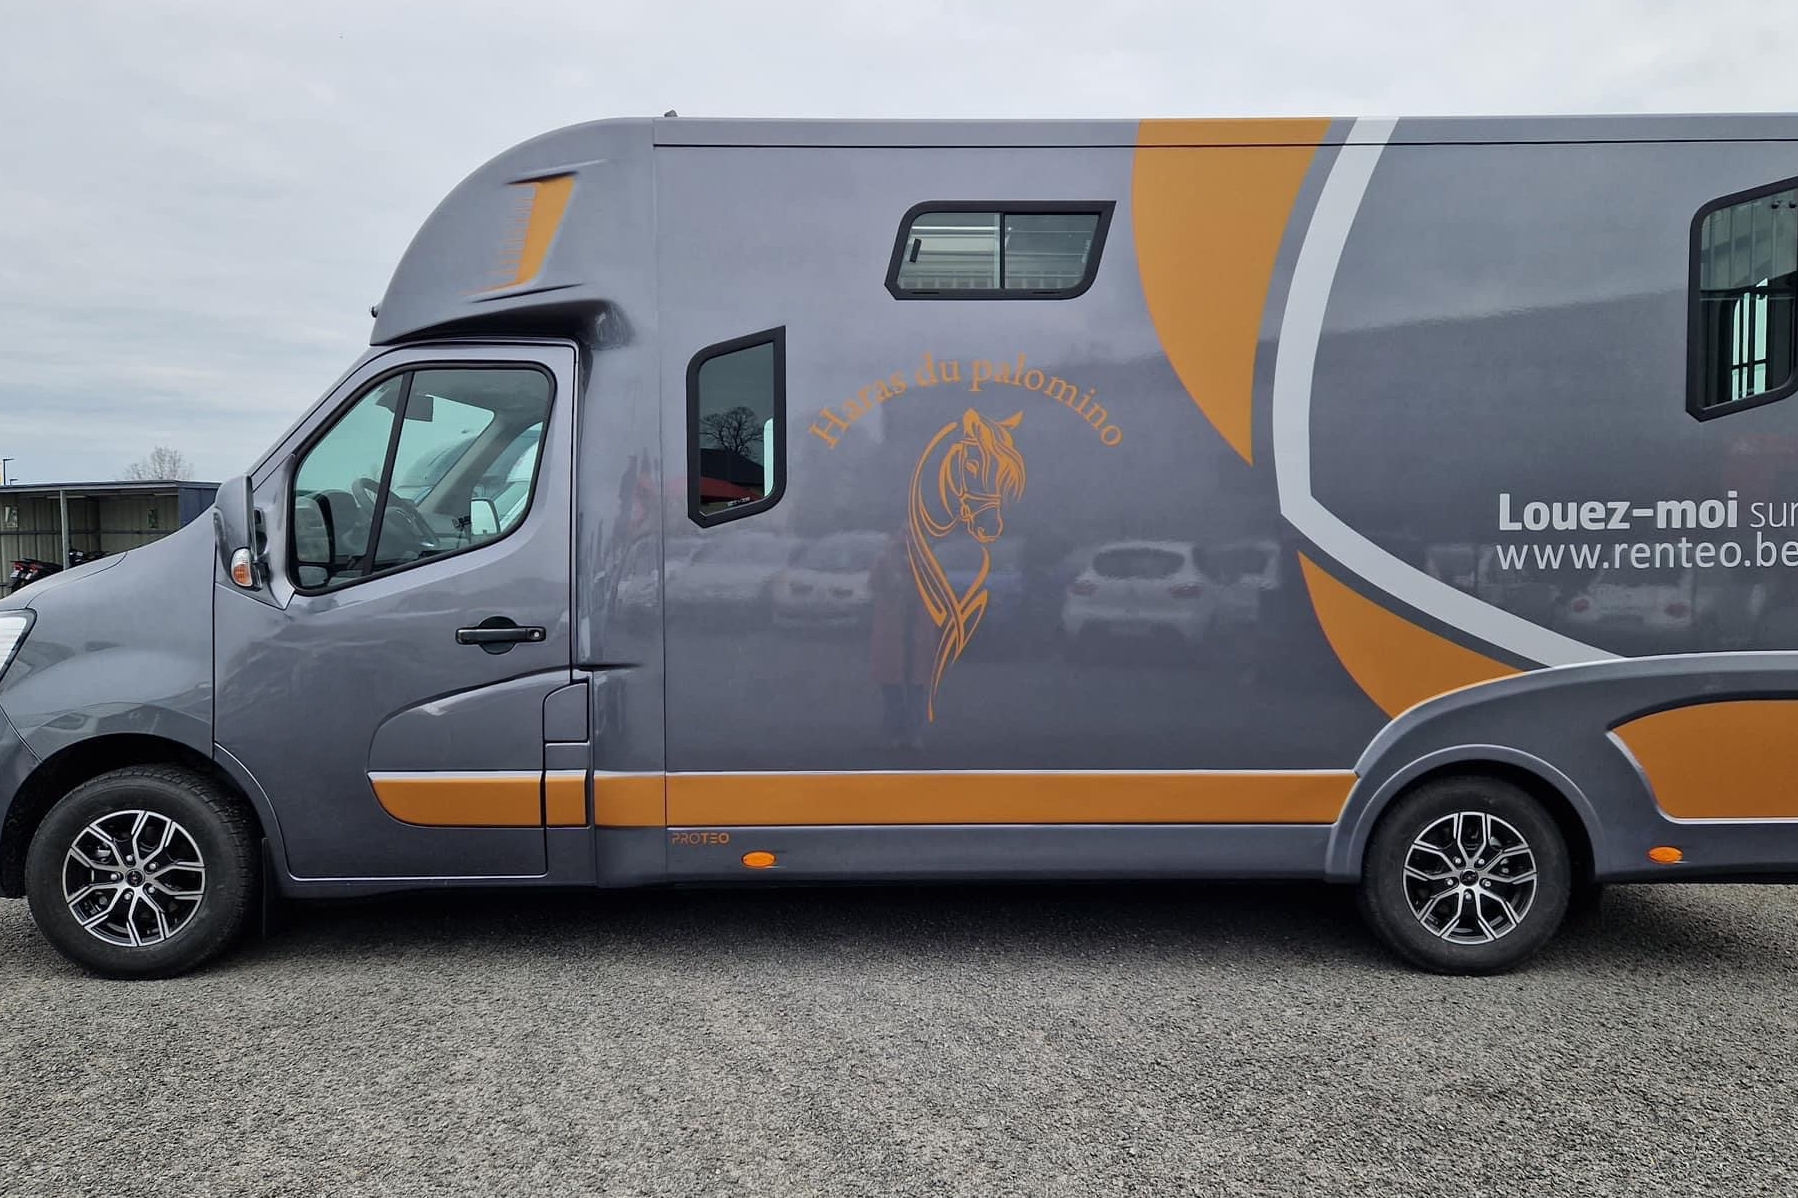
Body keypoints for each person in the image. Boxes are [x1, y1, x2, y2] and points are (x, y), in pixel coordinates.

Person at [868, 525, 933, 749]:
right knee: (895, 690)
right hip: (894, 638)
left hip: (915, 638)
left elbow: (937, 591)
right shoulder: (885, 561)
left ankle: (910, 735)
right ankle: (897, 735)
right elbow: (874, 584)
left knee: (913, 690)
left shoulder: (926, 563)